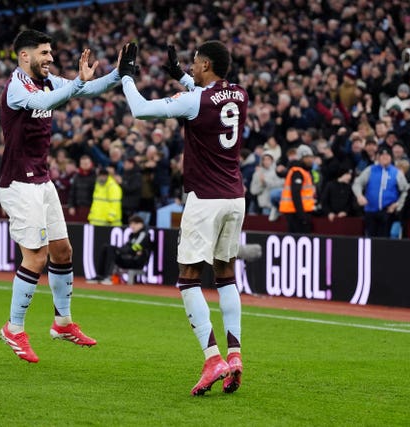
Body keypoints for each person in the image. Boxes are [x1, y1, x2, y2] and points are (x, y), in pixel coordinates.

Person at [121, 41, 247, 395]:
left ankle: (212, 358)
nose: (191, 67)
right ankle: (235, 355)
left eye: (194, 63)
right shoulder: (239, 94)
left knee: (189, 279)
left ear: (206, 64)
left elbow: (142, 110)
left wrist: (126, 77)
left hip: (204, 198)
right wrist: (179, 75)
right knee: (225, 275)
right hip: (235, 197)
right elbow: (208, 96)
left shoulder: (195, 100)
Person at [0, 29, 121, 363]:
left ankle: (62, 323)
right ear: (25, 56)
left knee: (63, 251)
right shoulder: (17, 88)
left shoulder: (47, 80)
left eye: (51, 53)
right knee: (35, 257)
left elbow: (90, 87)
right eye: (44, 53)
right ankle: (14, 328)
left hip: (41, 180)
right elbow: (45, 103)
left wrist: (119, 74)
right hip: (18, 185)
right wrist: (77, 85)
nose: (50, 58)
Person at [352, 145, 410, 237]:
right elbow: (357, 183)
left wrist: (397, 205)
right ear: (378, 158)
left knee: (384, 239)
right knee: (370, 238)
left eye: (387, 156)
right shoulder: (370, 170)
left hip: (387, 211)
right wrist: (359, 196)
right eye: (382, 156)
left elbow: (405, 190)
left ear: (391, 158)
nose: (384, 158)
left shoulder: (396, 172)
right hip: (370, 210)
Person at [89, 214, 152, 284]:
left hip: (136, 261)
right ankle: (100, 275)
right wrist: (122, 250)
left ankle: (108, 276)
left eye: (135, 224)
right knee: (106, 247)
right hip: (128, 258)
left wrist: (120, 250)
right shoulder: (132, 235)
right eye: (131, 224)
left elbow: (134, 248)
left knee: (112, 250)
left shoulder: (143, 234)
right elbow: (128, 247)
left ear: (141, 224)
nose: (132, 226)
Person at [278, 144, 317, 234]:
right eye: (307, 157)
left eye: (311, 157)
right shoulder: (297, 172)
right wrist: (302, 215)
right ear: (301, 158)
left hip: (300, 211)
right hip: (295, 213)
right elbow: (295, 194)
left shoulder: (305, 171)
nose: (310, 159)